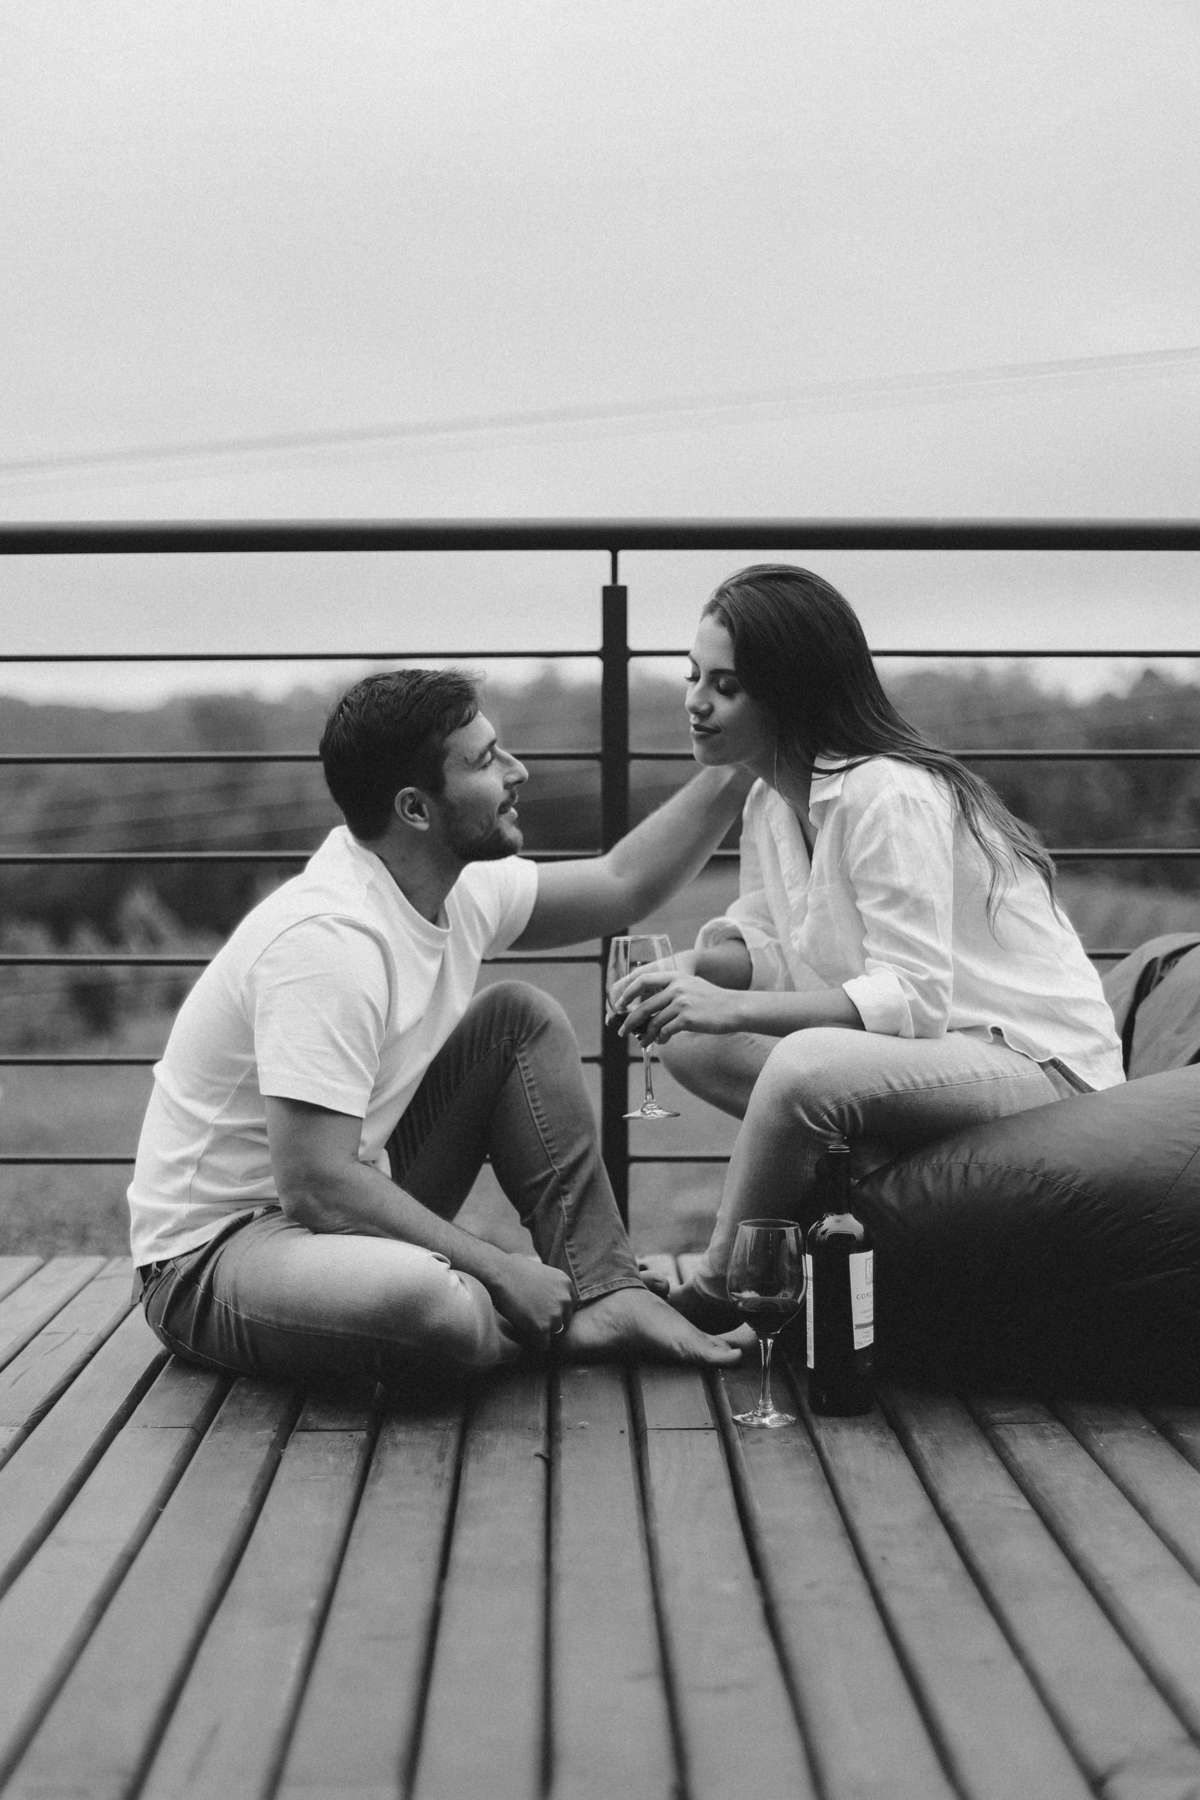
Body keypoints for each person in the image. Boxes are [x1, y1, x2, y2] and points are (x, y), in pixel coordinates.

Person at [129, 668, 752, 1388]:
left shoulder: (457, 884)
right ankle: (524, 1310)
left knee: (516, 1019)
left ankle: (605, 1291)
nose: (516, 772)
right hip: (216, 1254)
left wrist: (746, 760)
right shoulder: (328, 939)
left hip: (346, 1200)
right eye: (486, 762)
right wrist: (501, 1271)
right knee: (437, 1308)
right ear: (415, 809)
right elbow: (314, 1183)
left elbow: (622, 883)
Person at [607, 565, 1125, 1330]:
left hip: (1033, 1062)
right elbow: (774, 942)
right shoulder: (771, 799)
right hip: (927, 1061)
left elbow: (914, 996)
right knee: (684, 1035)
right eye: (694, 677)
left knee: (803, 1066)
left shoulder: (887, 792)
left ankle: (717, 1289)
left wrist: (733, 1008)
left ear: (790, 692)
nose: (696, 701)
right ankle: (859, 1189)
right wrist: (690, 973)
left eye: (727, 685)